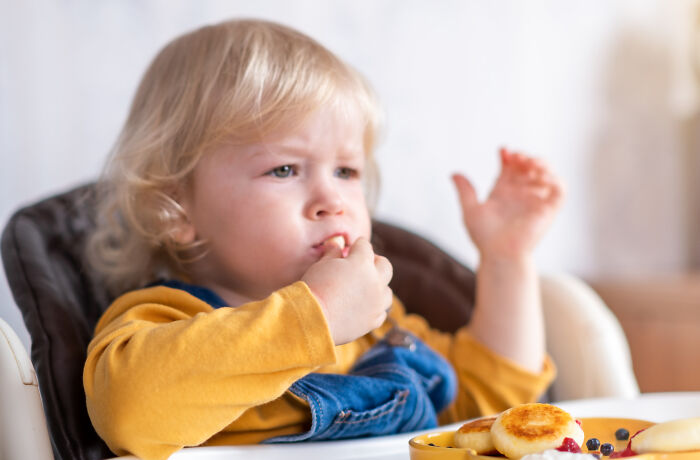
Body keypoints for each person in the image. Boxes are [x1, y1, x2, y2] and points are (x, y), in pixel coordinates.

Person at [83, 18, 564, 460]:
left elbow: (492, 406)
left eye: (346, 170)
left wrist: (506, 259)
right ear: (177, 208)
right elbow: (129, 410)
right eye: (285, 169)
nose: (331, 199)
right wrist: (315, 317)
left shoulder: (380, 330)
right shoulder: (164, 322)